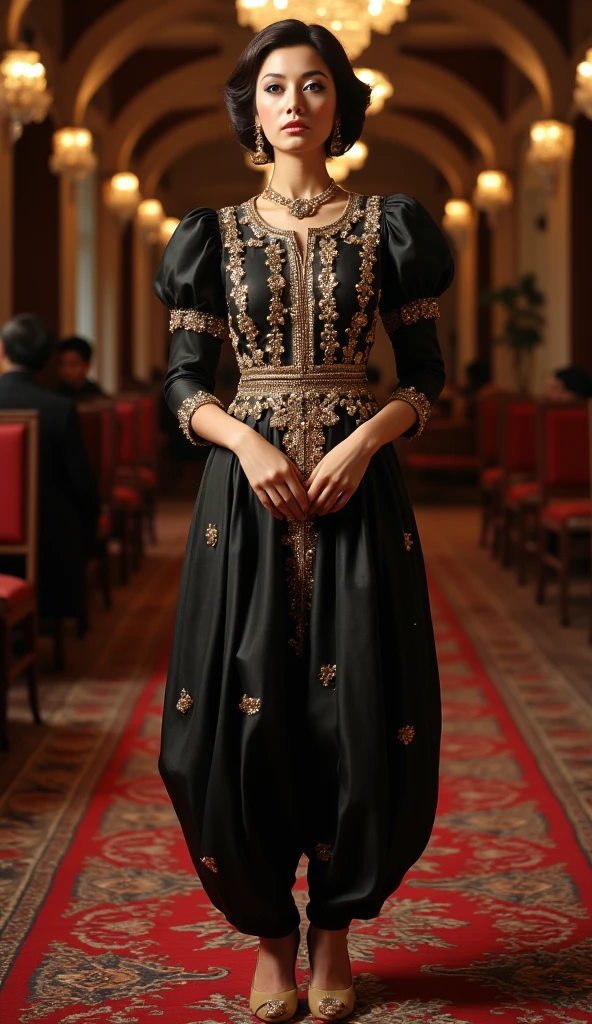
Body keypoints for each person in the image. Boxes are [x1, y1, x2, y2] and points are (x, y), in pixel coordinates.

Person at [154, 19, 454, 1023]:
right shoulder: (210, 235)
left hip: (355, 496)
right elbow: (184, 384)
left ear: (339, 104)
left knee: (360, 712)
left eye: (314, 85)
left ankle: (333, 935)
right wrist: (244, 444)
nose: (294, 103)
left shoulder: (389, 227)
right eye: (275, 86)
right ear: (253, 107)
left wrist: (364, 440)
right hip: (245, 504)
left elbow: (428, 382)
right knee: (241, 711)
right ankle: (270, 941)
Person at [0, 314, 100, 624]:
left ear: (2, 351)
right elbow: (81, 483)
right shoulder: (58, 408)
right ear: (46, 361)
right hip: (49, 551)